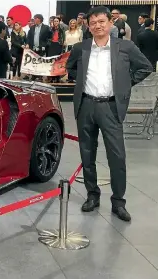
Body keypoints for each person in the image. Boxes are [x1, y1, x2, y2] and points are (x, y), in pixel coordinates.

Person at [66, 6, 153, 222]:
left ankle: (118, 202)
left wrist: (124, 84)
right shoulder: (81, 48)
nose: (97, 26)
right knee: (87, 154)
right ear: (88, 25)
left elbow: (145, 67)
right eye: (93, 22)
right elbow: (71, 69)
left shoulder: (125, 46)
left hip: (111, 106)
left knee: (117, 156)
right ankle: (92, 195)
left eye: (101, 21)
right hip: (85, 105)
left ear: (110, 23)